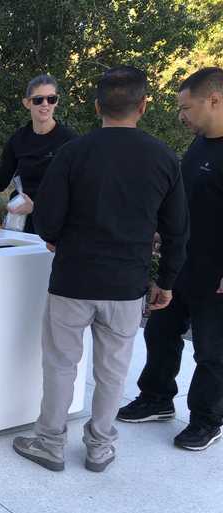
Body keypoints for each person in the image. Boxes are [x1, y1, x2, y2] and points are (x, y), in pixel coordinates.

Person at [12, 66, 189, 473]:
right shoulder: (164, 157)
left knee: (60, 364)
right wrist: (167, 281)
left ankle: (50, 442)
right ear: (143, 106)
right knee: (112, 371)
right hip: (127, 285)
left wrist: (55, 238)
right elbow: (178, 230)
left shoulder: (73, 152)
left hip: (72, 279)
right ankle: (100, 447)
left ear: (97, 107)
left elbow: (48, 219)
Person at [117, 67, 223, 451]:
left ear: (213, 99)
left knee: (212, 350)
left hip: (216, 274)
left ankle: (207, 420)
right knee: (160, 331)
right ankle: (157, 398)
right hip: (183, 265)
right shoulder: (199, 145)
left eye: (186, 107)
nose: (182, 116)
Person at [0, 75, 78, 233]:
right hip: (19, 221)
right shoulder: (18, 139)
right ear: (27, 103)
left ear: (57, 101)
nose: (45, 104)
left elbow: (77, 190)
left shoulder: (69, 141)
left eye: (51, 99)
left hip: (54, 224)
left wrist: (36, 207)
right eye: (38, 100)